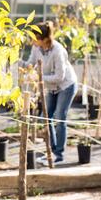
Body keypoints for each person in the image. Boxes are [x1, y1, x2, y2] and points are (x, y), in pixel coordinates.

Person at [24, 21, 77, 164]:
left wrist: (39, 77)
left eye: (34, 38)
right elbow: (31, 62)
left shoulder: (57, 51)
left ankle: (59, 155)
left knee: (60, 118)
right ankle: (51, 152)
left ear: (44, 39)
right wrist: (20, 65)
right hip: (51, 87)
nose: (32, 41)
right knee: (46, 118)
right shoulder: (37, 48)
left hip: (66, 86)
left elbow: (59, 76)